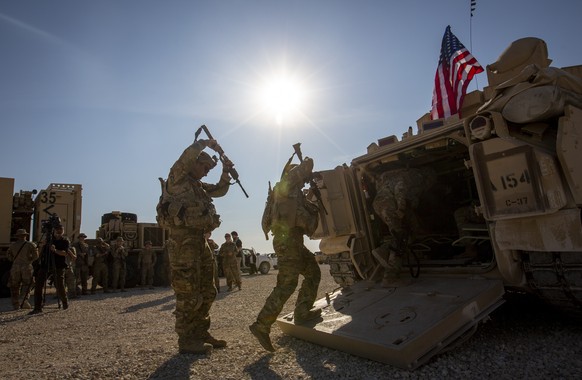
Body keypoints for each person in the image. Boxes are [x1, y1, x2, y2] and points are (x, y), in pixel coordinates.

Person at [156, 137, 233, 354]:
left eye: (210, 168)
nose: (207, 171)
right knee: (187, 291)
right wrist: (205, 143)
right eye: (205, 166)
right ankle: (186, 339)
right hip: (183, 243)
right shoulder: (178, 178)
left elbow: (220, 190)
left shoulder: (197, 185)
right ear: (194, 162)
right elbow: (184, 158)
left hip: (200, 240)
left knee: (208, 290)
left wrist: (225, 172)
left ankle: (200, 332)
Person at [249, 153, 321, 352]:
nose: (304, 180)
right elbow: (299, 172)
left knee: (314, 272)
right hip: (286, 241)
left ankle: (302, 312)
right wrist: (307, 164)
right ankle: (261, 325)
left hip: (293, 241)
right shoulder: (285, 185)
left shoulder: (293, 193)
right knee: (287, 284)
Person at [371, 167, 437, 287]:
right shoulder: (408, 177)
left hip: (380, 204)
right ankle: (389, 277)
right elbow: (400, 190)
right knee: (400, 237)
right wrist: (401, 209)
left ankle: (384, 250)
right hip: (389, 205)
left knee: (398, 233)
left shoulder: (391, 175)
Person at [30, 224, 70, 314]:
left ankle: (65, 302)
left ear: (63, 231)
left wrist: (55, 250)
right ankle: (37, 307)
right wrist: (42, 246)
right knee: (38, 284)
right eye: (57, 230)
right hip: (46, 264)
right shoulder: (48, 240)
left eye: (61, 230)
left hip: (58, 265)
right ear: (54, 230)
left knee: (59, 285)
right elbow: (40, 253)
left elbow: (65, 253)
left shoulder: (65, 241)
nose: (59, 231)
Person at [6, 229, 38, 310]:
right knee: (27, 284)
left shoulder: (12, 245)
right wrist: (29, 260)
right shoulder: (30, 244)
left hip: (15, 267)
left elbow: (8, 256)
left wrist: (15, 260)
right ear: (25, 235)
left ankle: (15, 304)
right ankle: (24, 301)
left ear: (17, 236)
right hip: (26, 266)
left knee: (14, 286)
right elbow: (36, 256)